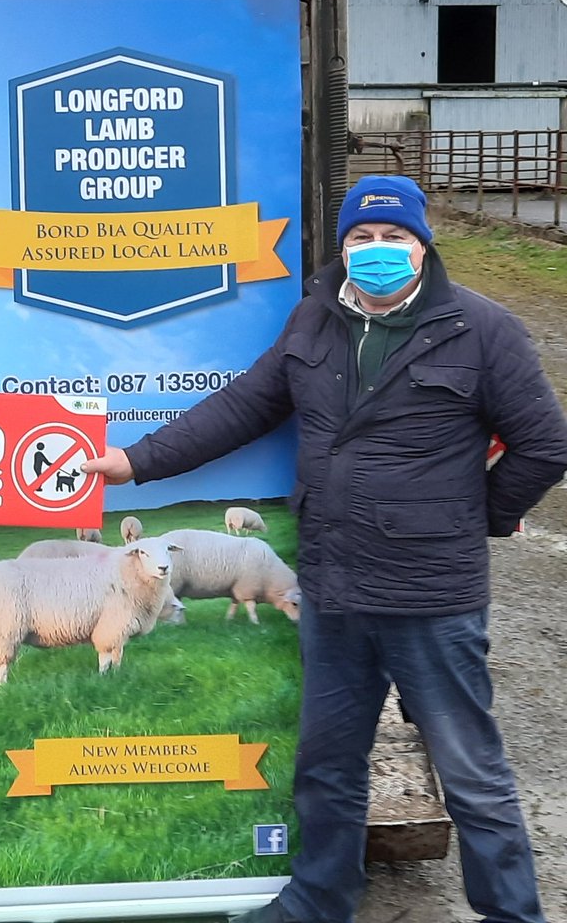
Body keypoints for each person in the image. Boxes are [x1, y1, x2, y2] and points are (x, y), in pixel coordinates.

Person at [83, 174, 567, 923]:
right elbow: (243, 406)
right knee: (328, 765)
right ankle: (320, 898)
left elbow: (544, 446)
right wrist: (136, 460)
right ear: (342, 247)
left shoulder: (483, 329)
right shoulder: (314, 322)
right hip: (333, 589)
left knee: (472, 772)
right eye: (361, 238)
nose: (378, 251)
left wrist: (477, 517)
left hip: (431, 597)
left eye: (395, 236)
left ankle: (512, 914)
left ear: (423, 243)